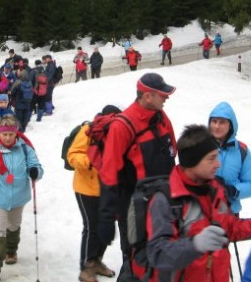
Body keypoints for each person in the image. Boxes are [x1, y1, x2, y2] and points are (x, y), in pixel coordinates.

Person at [143, 124, 251, 282]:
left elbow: (229, 228)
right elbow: (158, 253)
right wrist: (195, 245)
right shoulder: (166, 199)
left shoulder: (215, 189)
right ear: (192, 161)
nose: (218, 164)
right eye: (211, 158)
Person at [98, 73, 177, 279]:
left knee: (163, 257)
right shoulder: (122, 126)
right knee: (136, 261)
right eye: (162, 94)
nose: (166, 98)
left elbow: (173, 154)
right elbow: (109, 172)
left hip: (164, 203)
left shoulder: (161, 117)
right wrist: (106, 217)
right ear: (147, 96)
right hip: (134, 209)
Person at [0, 115, 44, 281]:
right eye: (4, 134)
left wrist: (35, 172)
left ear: (15, 133)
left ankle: (11, 250)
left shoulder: (25, 148)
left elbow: (36, 167)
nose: (8, 138)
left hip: (19, 197)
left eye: (11, 134)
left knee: (13, 226)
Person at [67, 105, 120, 282]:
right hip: (86, 188)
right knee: (92, 227)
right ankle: (86, 267)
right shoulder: (88, 130)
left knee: (105, 226)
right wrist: (92, 160)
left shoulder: (119, 133)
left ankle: (97, 260)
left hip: (108, 187)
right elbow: (72, 155)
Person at [207, 101, 251, 215]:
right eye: (214, 121)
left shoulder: (242, 151)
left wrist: (233, 190)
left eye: (222, 122)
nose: (217, 126)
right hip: (203, 211)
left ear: (230, 125)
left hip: (230, 213)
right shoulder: (200, 146)